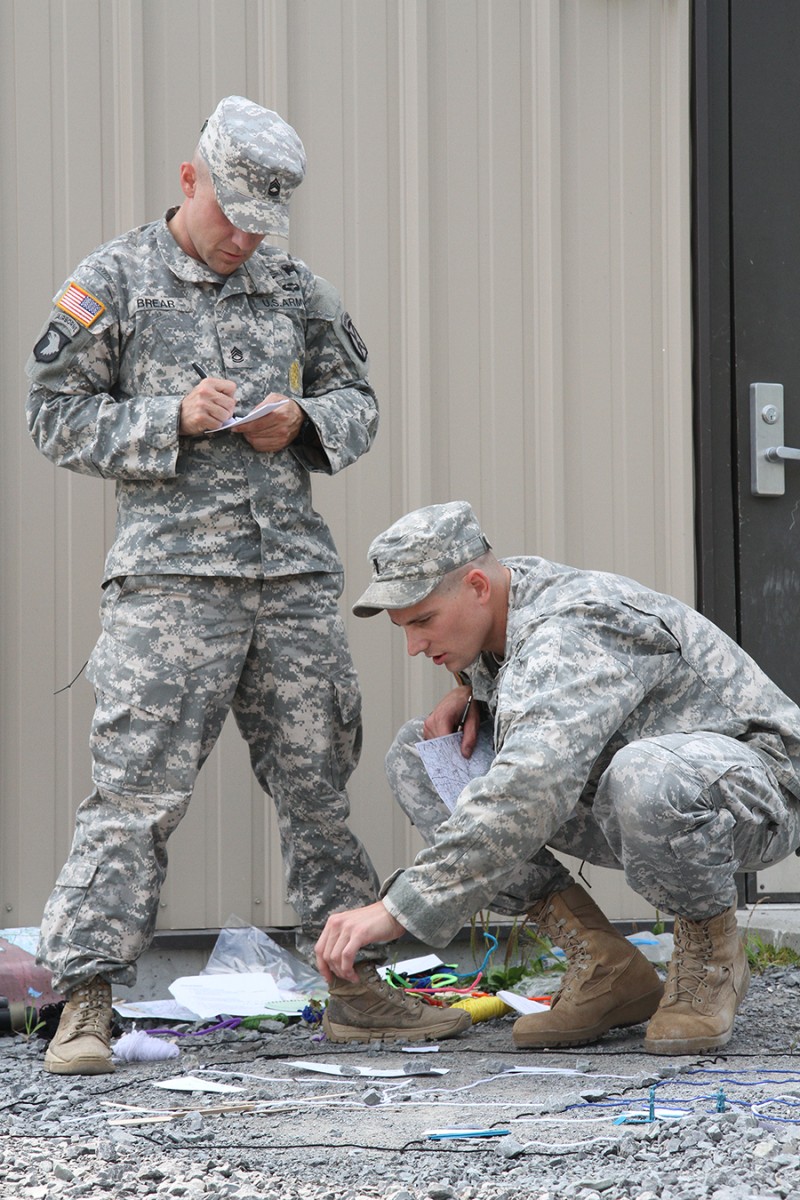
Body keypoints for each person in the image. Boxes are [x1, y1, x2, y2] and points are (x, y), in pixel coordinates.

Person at [26, 97, 467, 1075]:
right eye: (232, 216)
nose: (244, 239)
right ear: (190, 181)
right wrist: (167, 419)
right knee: (133, 794)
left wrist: (301, 422)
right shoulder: (110, 283)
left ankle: (354, 993)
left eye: (263, 222)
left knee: (319, 791)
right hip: (170, 580)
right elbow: (50, 416)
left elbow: (359, 403)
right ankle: (86, 1002)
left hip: (292, 579)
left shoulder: (295, 286)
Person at [315, 500, 800, 1054]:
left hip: (757, 790)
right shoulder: (500, 602)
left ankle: (710, 952)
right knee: (424, 756)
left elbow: (531, 786)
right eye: (405, 627)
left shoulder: (571, 628)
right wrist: (473, 691)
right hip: (625, 788)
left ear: (477, 586)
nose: (414, 645)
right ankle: (604, 965)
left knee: (642, 774)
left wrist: (401, 906)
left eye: (423, 621)